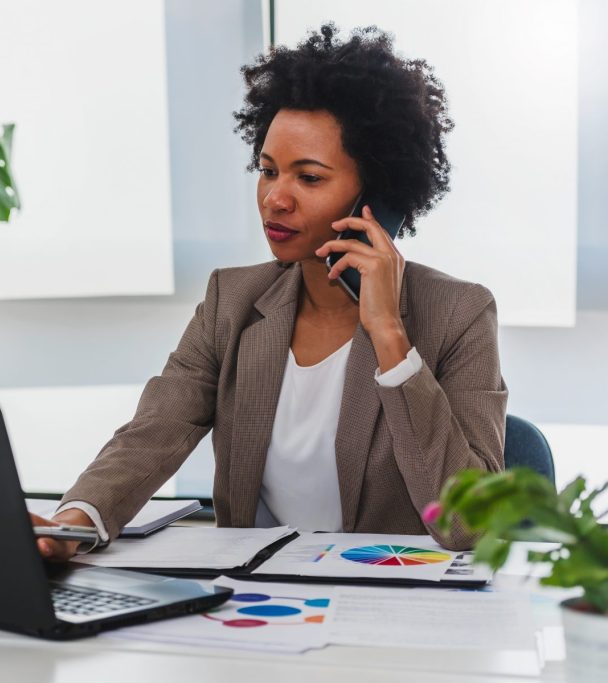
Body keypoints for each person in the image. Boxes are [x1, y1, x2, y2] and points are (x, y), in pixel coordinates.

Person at [33, 24, 506, 558]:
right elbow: (151, 433)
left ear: (378, 195)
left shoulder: (458, 314)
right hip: (249, 608)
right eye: (267, 171)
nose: (274, 199)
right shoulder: (231, 301)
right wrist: (70, 525)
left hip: (386, 610)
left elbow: (471, 527)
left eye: (308, 178)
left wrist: (390, 335)